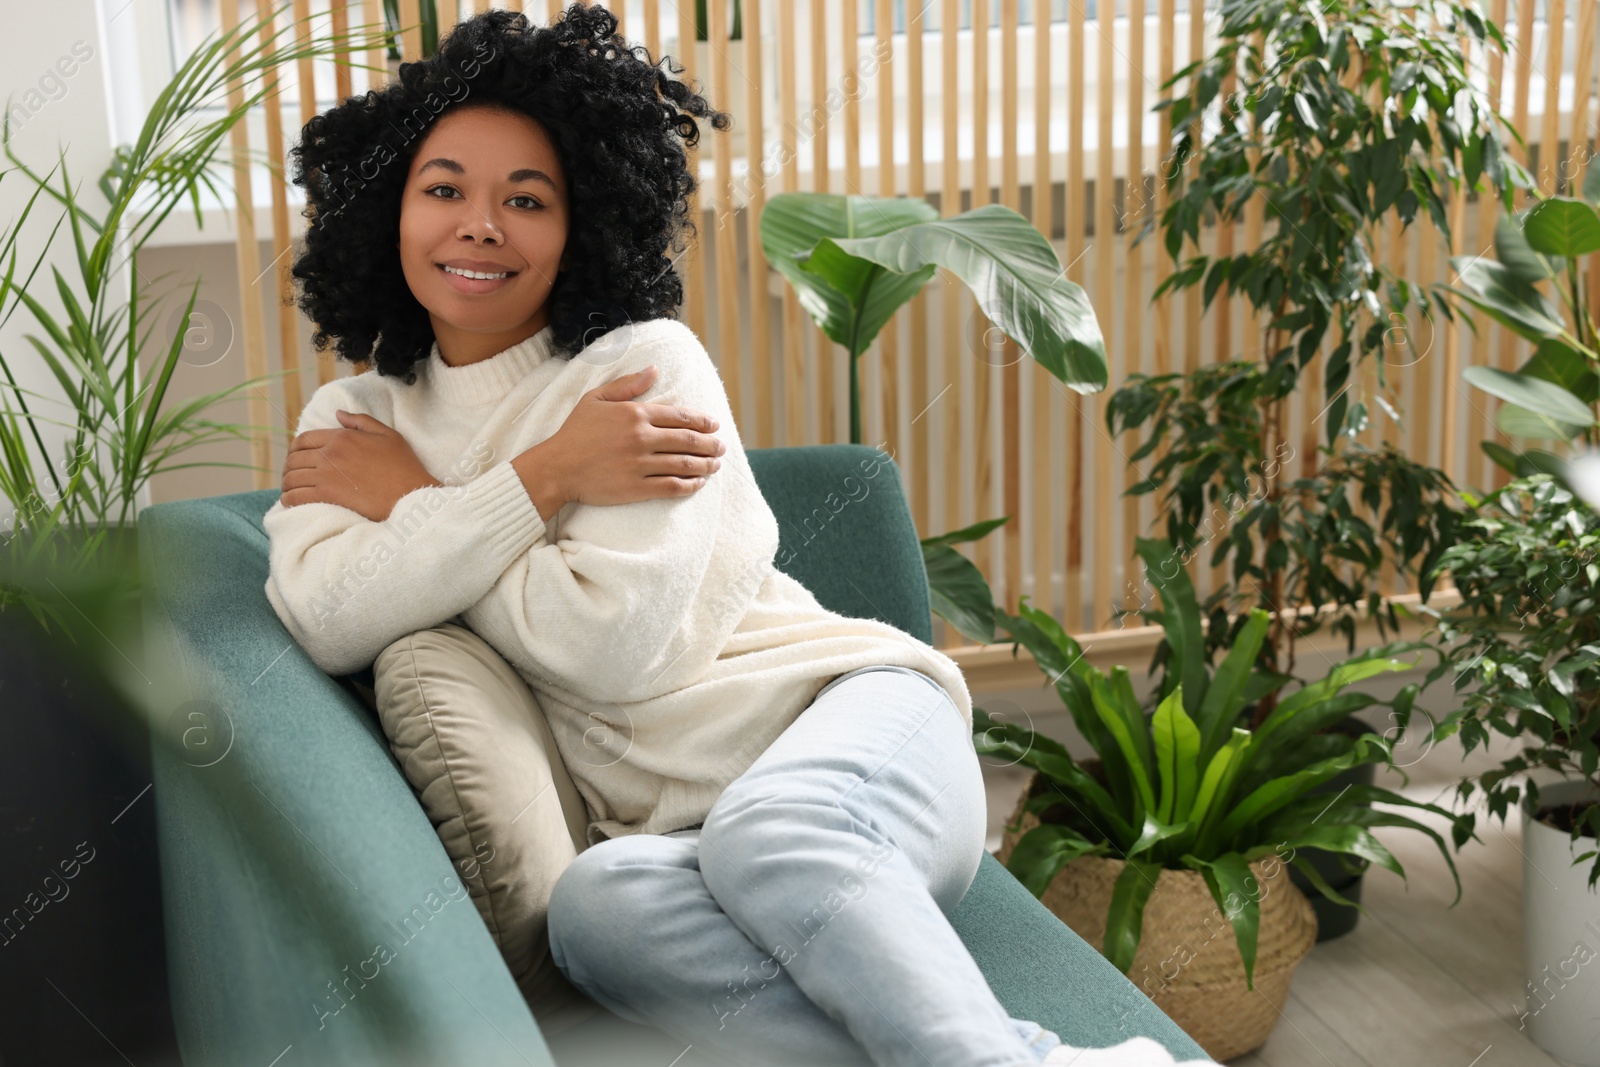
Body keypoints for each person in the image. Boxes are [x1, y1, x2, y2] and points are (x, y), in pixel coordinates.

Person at [265, 6, 1213, 1066]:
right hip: (678, 846)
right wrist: (541, 479)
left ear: (586, 224)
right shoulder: (355, 427)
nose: (479, 225)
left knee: (771, 832)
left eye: (526, 199)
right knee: (592, 907)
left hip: (857, 734)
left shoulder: (641, 373)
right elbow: (329, 614)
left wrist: (421, 509)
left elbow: (612, 646)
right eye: (442, 189)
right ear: (384, 210)